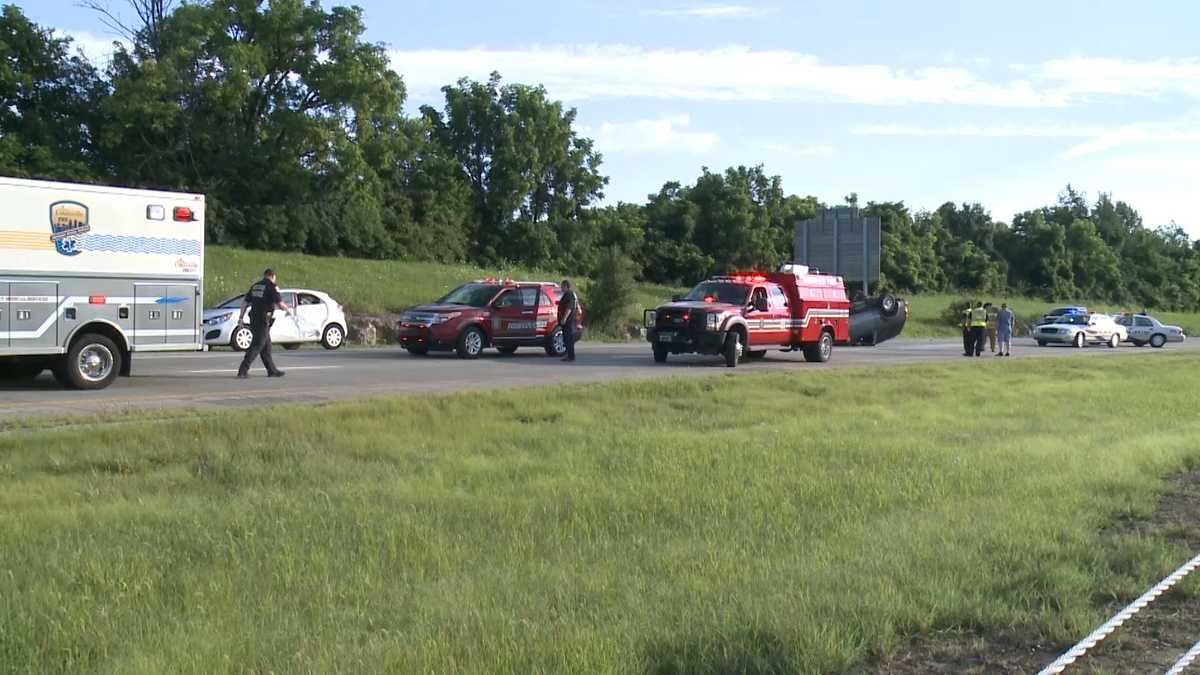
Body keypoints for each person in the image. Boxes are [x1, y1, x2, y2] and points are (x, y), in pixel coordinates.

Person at [236, 268, 294, 379]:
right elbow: (280, 304)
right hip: (263, 320)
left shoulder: (255, 286)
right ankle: (243, 370)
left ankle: (272, 370)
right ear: (273, 276)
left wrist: (241, 317)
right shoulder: (271, 287)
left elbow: (244, 302)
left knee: (266, 346)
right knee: (257, 345)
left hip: (254, 318)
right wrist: (288, 310)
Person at [557, 279, 580, 362]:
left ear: (566, 286)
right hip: (567, 321)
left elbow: (569, 308)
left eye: (562, 286)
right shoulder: (568, 294)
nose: (561, 288)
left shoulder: (569, 295)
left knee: (568, 338)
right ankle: (569, 355)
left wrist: (564, 318)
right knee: (566, 338)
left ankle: (571, 356)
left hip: (568, 321)